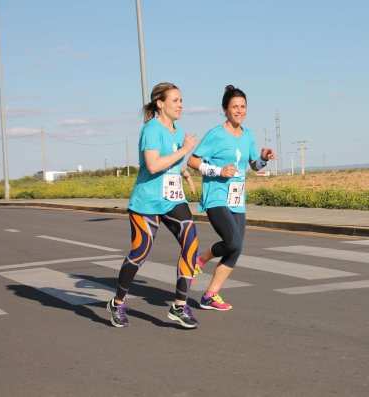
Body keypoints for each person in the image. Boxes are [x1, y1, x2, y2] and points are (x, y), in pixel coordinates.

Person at [107, 82, 202, 329]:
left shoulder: (178, 131)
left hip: (172, 200)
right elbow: (153, 165)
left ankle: (179, 306)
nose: (180, 105)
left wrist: (186, 171)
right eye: (175, 100)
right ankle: (117, 303)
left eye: (182, 100)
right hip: (147, 202)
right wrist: (183, 150)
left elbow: (173, 161)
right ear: (160, 103)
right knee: (140, 252)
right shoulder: (151, 129)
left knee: (191, 242)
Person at [187, 85, 275, 311]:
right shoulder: (215, 134)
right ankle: (200, 260)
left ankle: (210, 295)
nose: (239, 111)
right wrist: (218, 171)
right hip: (216, 196)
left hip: (237, 199)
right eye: (234, 107)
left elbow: (254, 165)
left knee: (235, 248)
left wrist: (263, 159)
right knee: (233, 241)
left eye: (243, 107)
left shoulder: (248, 135)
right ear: (225, 109)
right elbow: (193, 161)